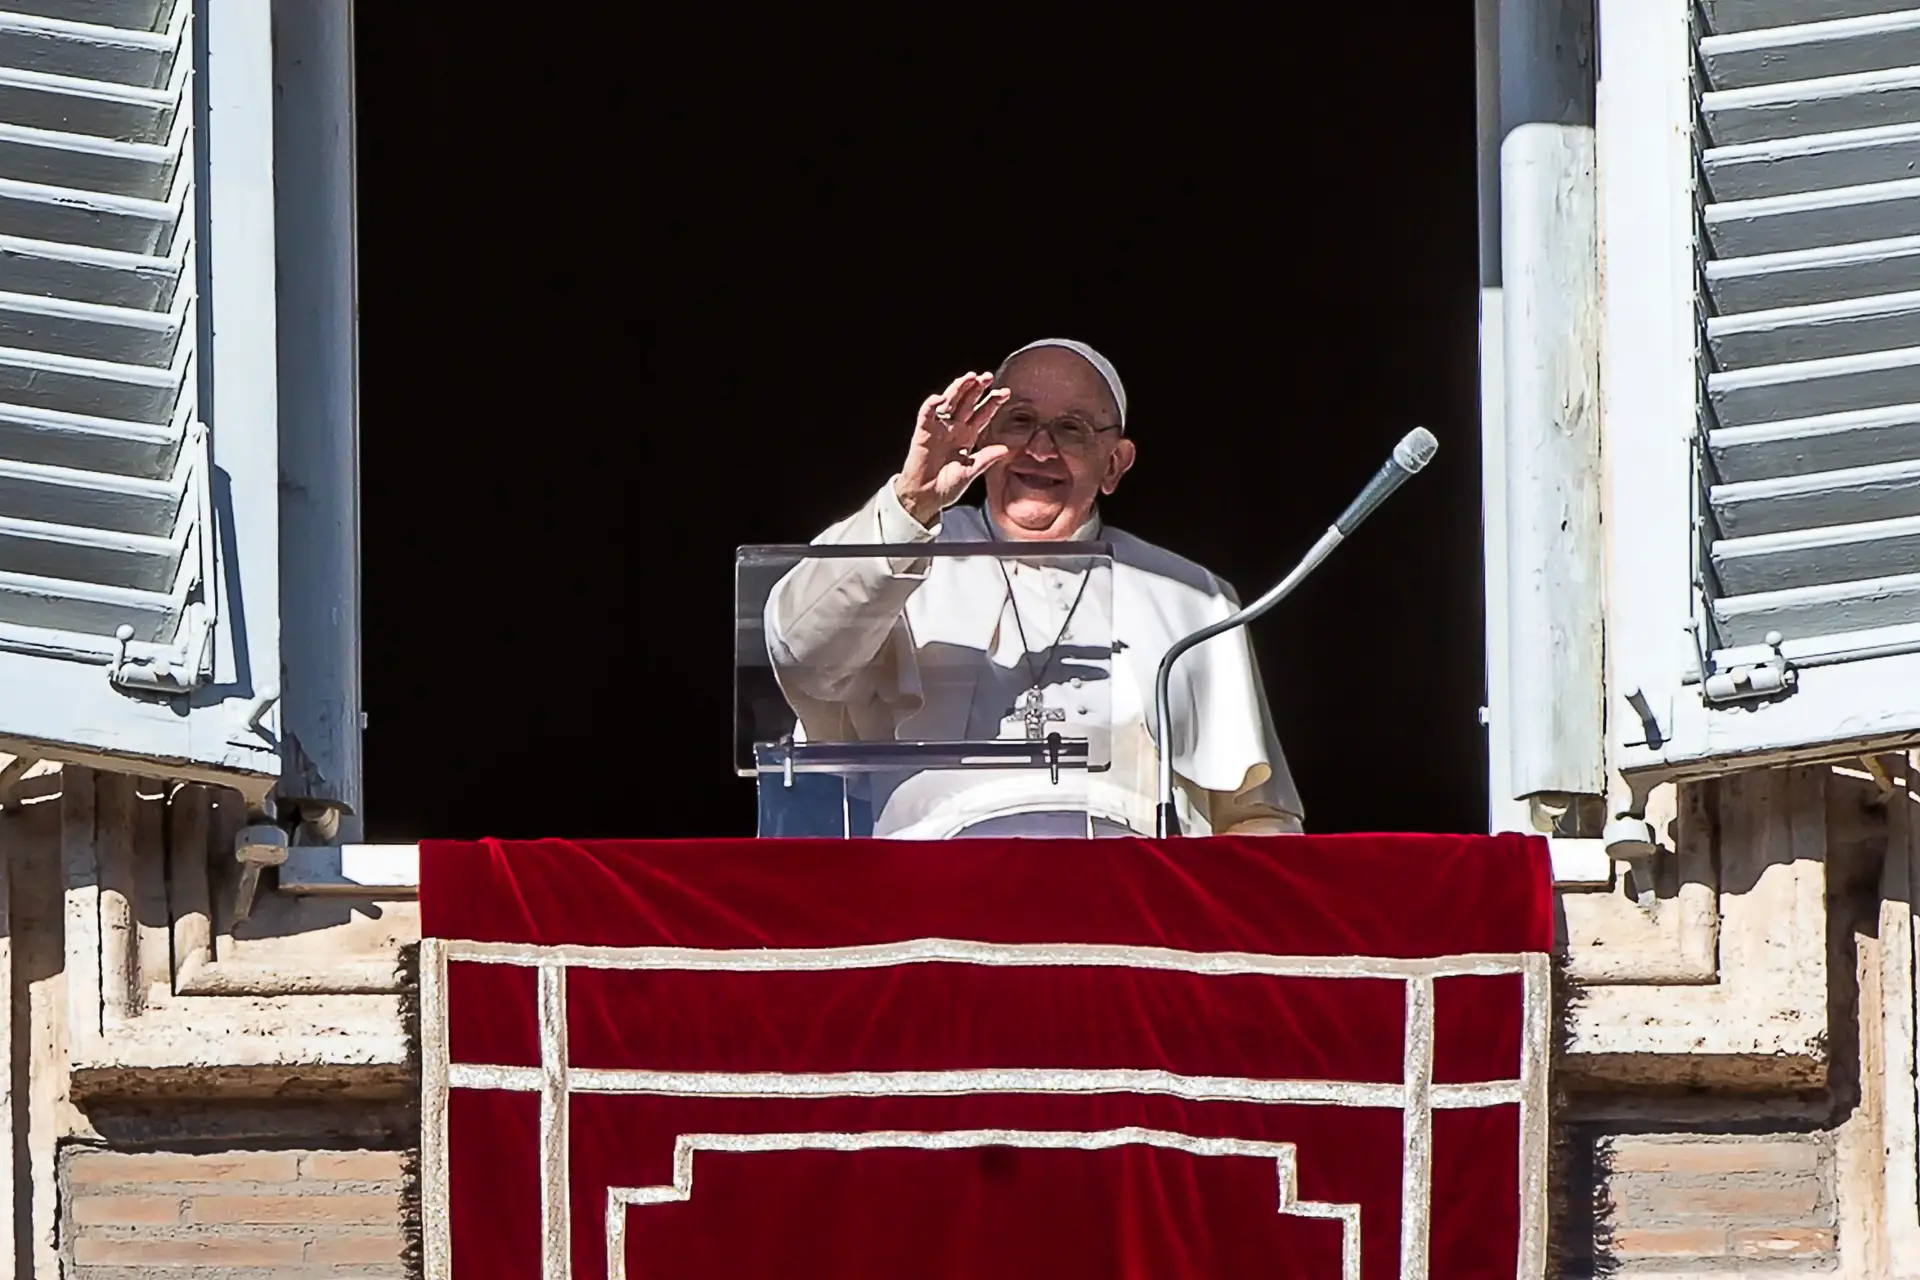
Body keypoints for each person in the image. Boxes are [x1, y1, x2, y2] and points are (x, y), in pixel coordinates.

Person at [764, 338, 1303, 839]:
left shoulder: (1191, 595)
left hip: (1135, 892)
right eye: (1018, 422)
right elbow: (801, 653)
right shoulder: (900, 546)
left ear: (1114, 463)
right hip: (932, 881)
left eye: (1071, 429)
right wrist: (912, 502)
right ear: (984, 437)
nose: (1039, 449)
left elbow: (1254, 815)